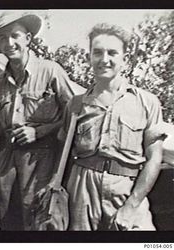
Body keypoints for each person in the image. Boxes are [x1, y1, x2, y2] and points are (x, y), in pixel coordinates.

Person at [58, 23, 164, 231]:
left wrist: (132, 206)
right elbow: (62, 149)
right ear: (89, 56)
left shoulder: (146, 102)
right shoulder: (76, 103)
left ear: (124, 58)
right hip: (82, 189)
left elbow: (155, 158)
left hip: (127, 187)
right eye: (97, 52)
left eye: (112, 53)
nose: (104, 59)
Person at [0, 12, 81, 230]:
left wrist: (40, 131)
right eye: (2, 38)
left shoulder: (50, 70)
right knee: (9, 219)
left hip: (43, 160)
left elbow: (75, 115)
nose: (9, 43)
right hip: (8, 162)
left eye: (14, 35)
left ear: (27, 38)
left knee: (41, 220)